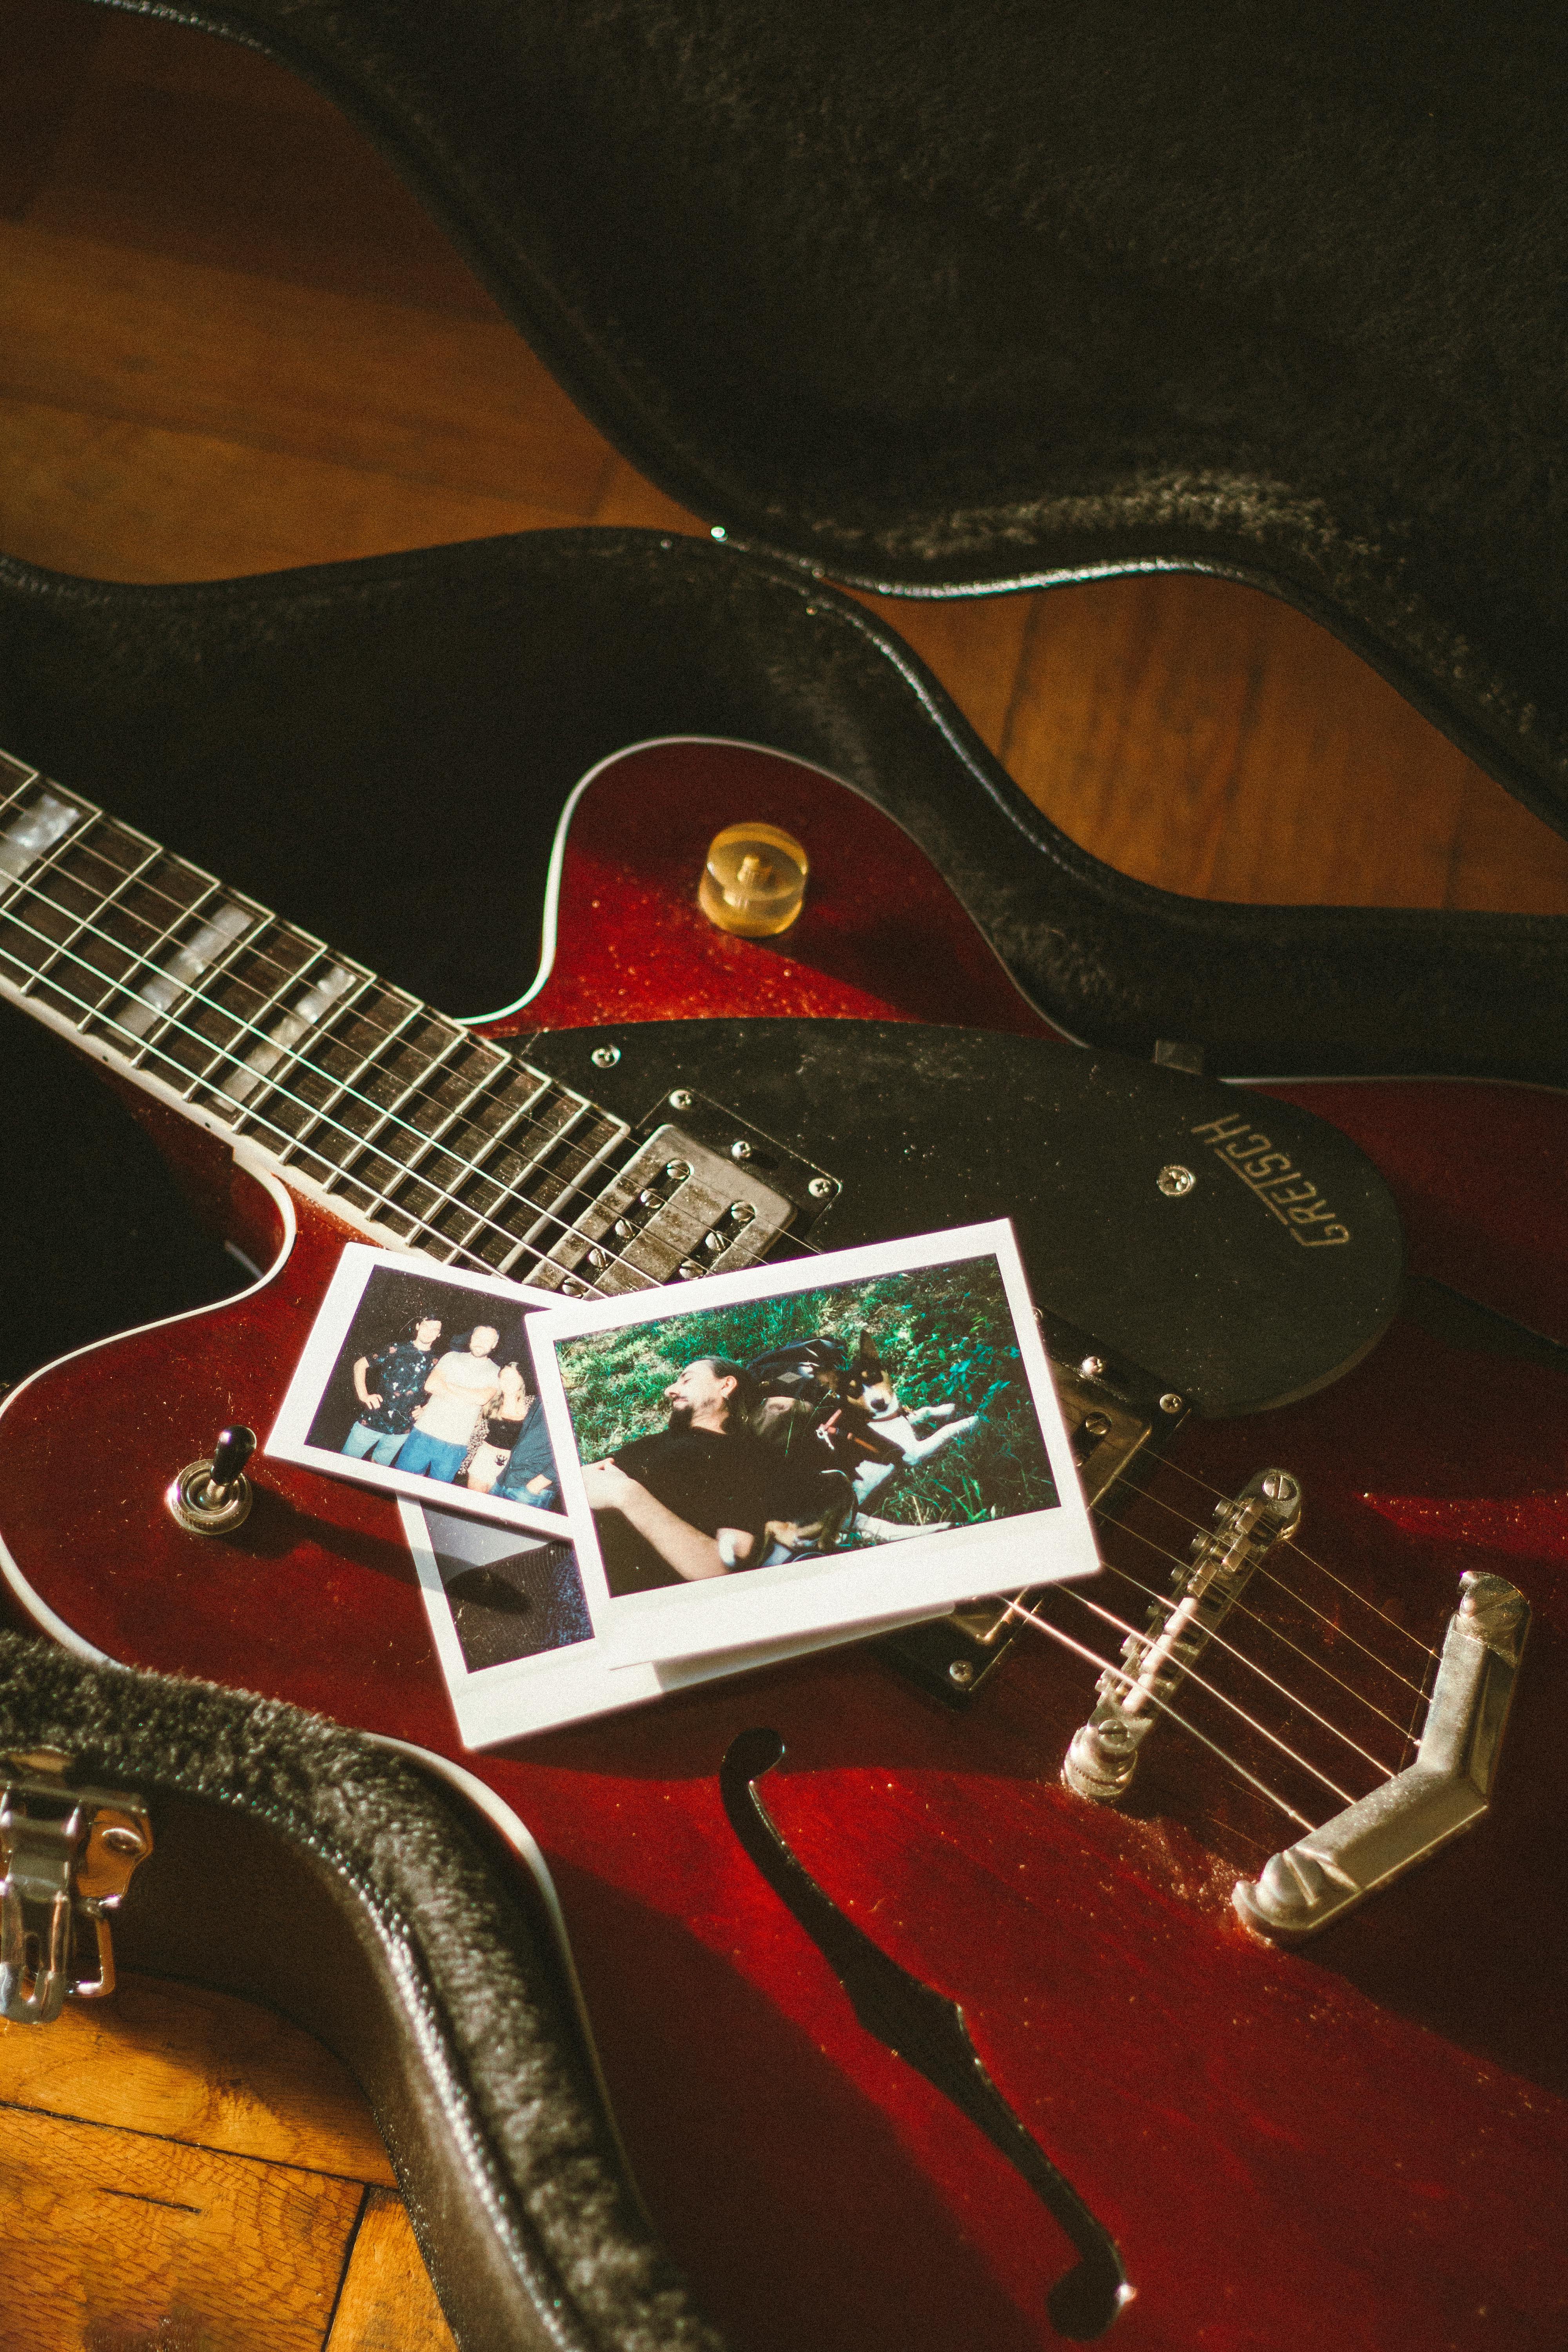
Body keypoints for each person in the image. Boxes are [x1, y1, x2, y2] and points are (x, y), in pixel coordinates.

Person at [582, 1356, 844, 1595]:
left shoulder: (743, 1454)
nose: (669, 1390)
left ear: (726, 1385)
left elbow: (721, 1566)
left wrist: (626, 1495)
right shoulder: (664, 1441)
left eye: (687, 1380)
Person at [396, 1324, 503, 1483]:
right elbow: (431, 1385)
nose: (481, 1342)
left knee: (436, 1494)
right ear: (471, 1338)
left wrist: (448, 1385)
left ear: (494, 1345)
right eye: (478, 1337)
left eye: (487, 1340)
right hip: (424, 1433)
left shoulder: (496, 1371)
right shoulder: (451, 1357)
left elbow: (481, 1399)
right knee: (403, 1483)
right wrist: (469, 1395)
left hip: (456, 1444)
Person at [340, 1314, 442, 1465]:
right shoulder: (395, 1349)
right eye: (426, 1326)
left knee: (377, 1470)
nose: (429, 1331)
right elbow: (360, 1365)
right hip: (372, 1420)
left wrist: (426, 1409)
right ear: (418, 1326)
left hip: (402, 1430)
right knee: (345, 1463)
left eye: (435, 1329)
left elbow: (443, 1391)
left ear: (439, 1335)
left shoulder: (438, 1362)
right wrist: (364, 1395)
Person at [467, 1361, 559, 1510]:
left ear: (521, 1381)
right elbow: (476, 1431)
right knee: (475, 1504)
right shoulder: (490, 1403)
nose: (506, 1382)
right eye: (503, 1377)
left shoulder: (531, 1405)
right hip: (485, 1458)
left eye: (512, 1378)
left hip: (510, 1465)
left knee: (494, 1509)